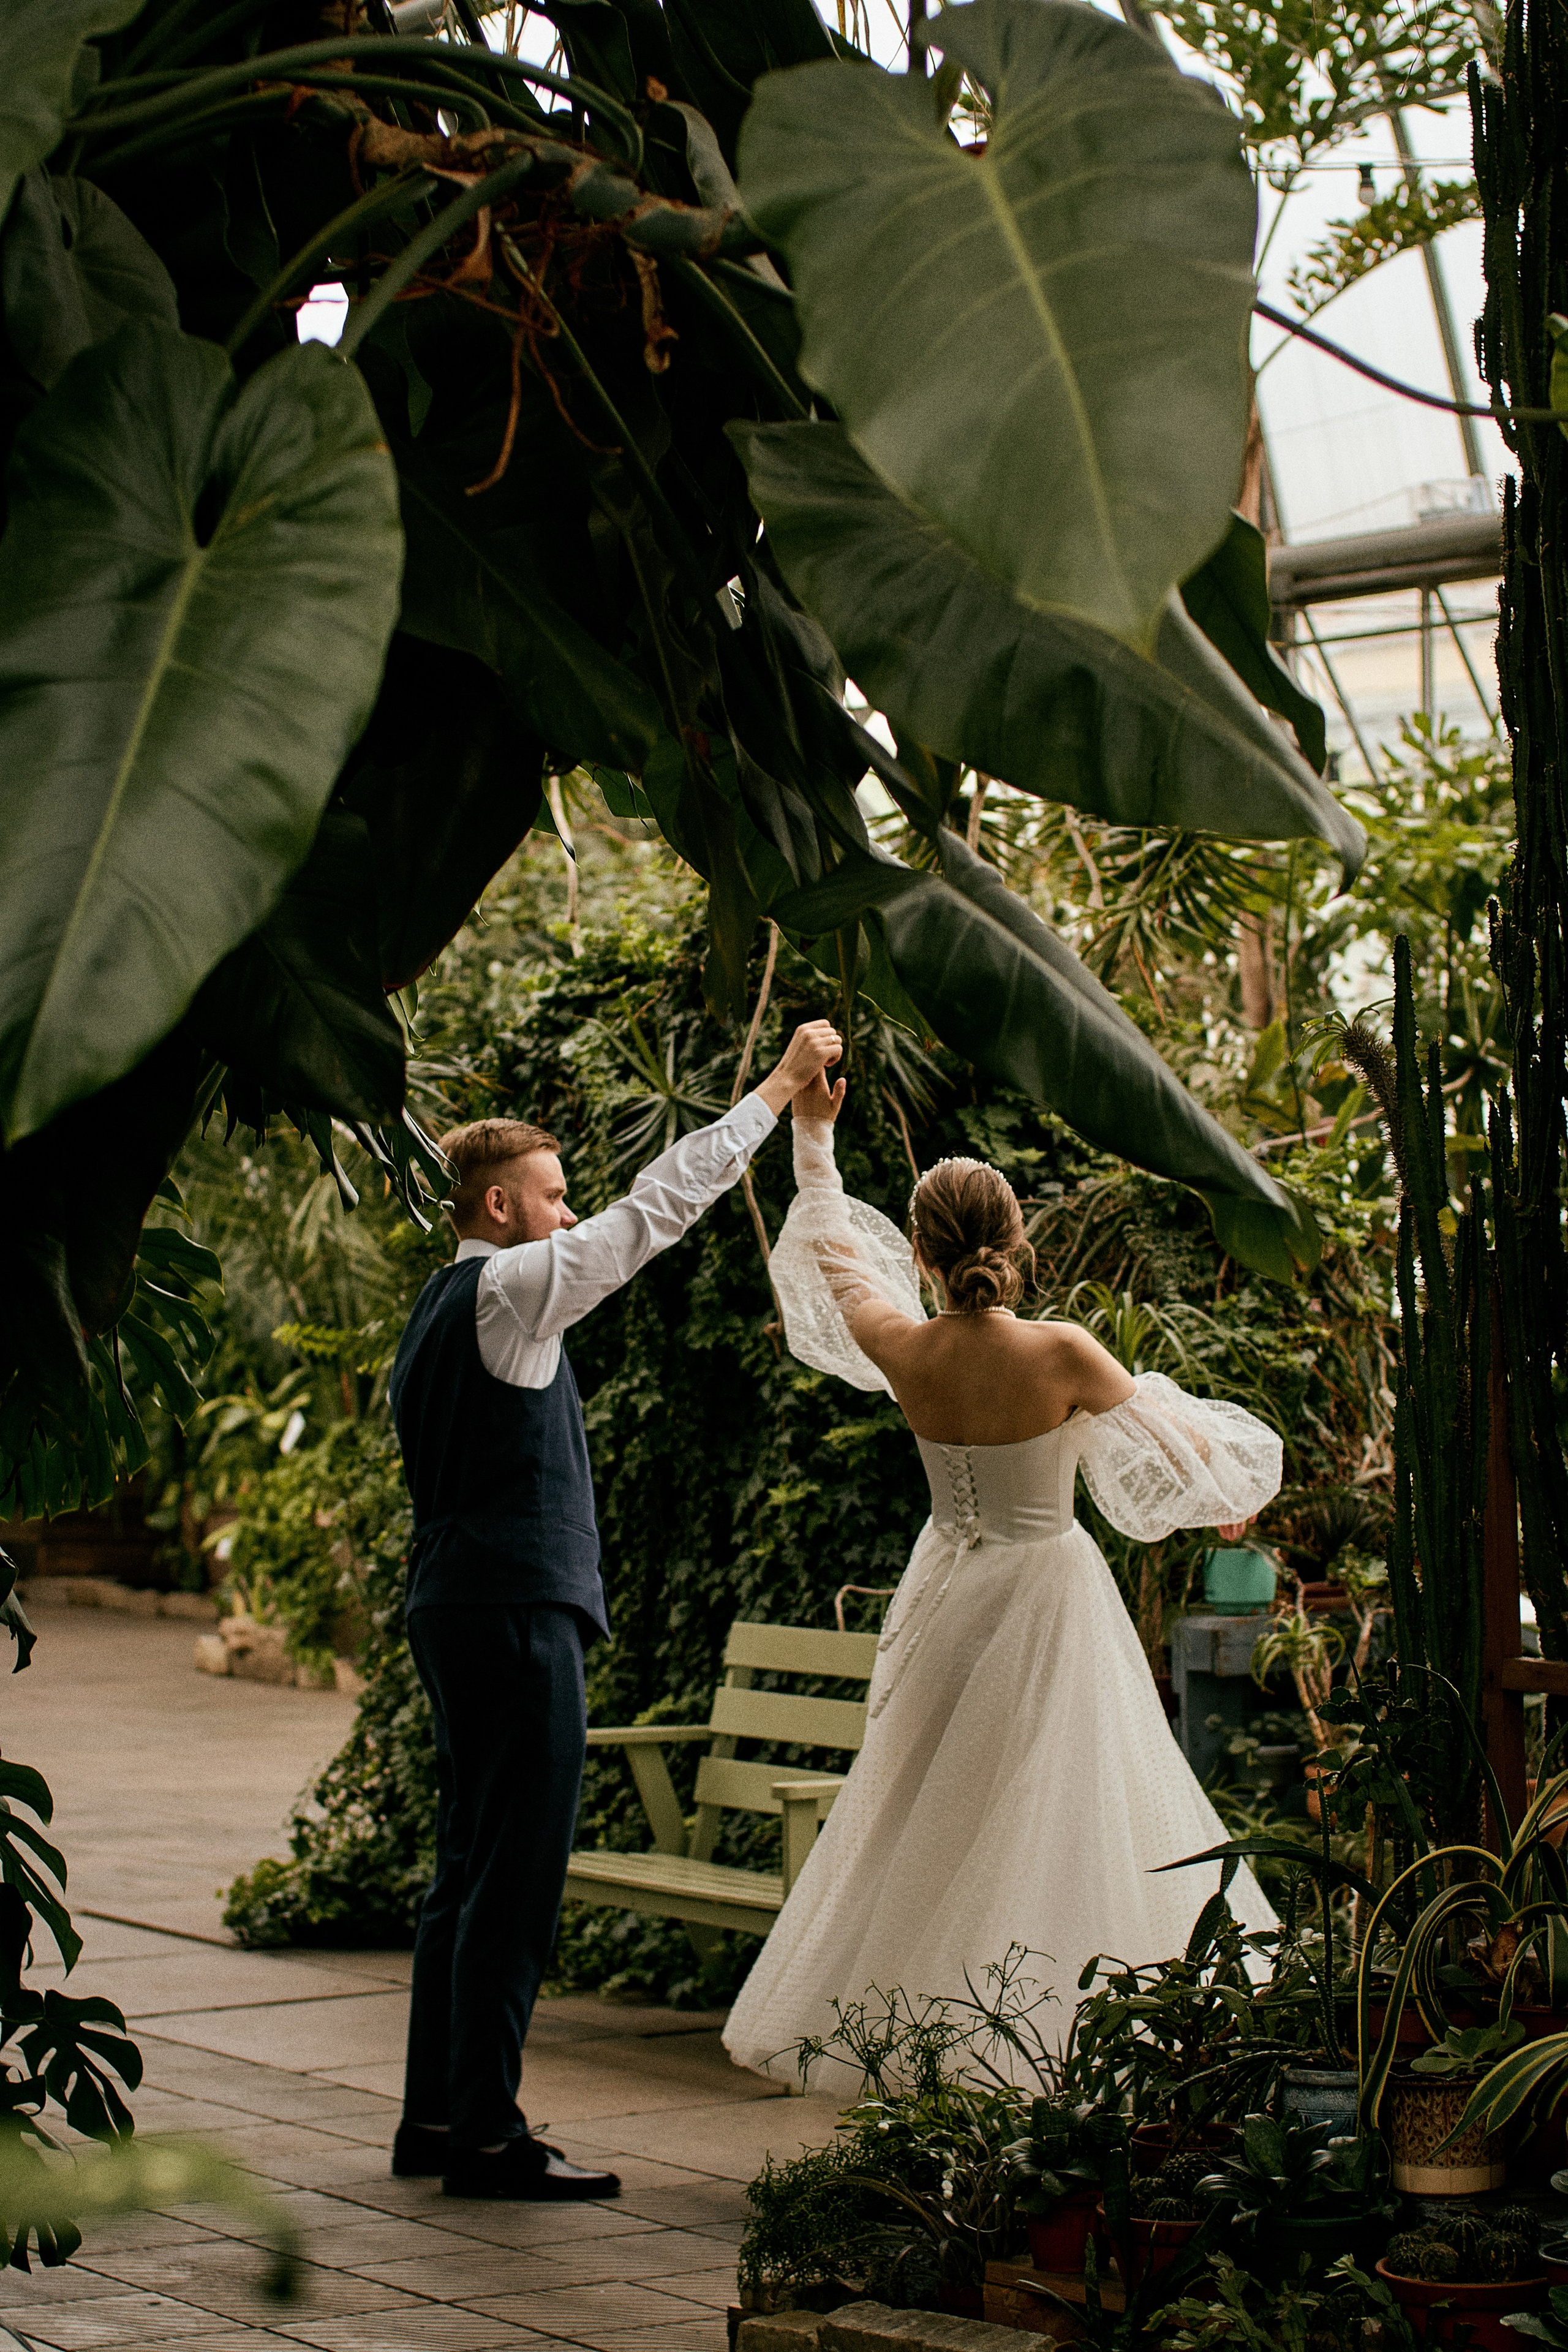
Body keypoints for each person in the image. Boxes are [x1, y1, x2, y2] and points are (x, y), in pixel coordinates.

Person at [722, 1070, 1282, 2090]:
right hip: (1049, 1596)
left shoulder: (900, 1345)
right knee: (1070, 1808)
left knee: (932, 1811)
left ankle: (923, 2045)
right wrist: (1225, 1496)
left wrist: (814, 1132)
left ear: (923, 1251)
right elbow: (1184, 1449)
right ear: (1015, 1243)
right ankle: (1061, 2041)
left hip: (945, 1594)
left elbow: (830, 1241)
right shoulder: (1062, 1350)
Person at [388, 1018, 843, 2198]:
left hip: (455, 1601)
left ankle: (436, 2121)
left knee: (464, 1868)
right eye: (549, 1197)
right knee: (516, 1876)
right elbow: (656, 1208)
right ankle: (488, 2138)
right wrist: (776, 1091)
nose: (568, 1214)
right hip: (512, 1609)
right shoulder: (509, 1291)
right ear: (497, 1209)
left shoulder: (438, 1308)